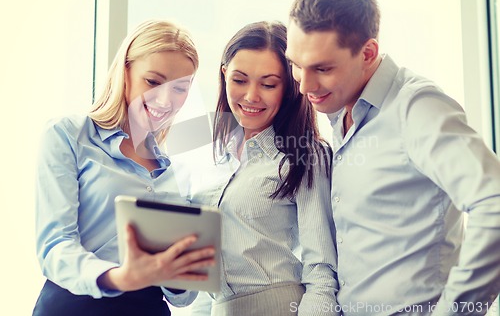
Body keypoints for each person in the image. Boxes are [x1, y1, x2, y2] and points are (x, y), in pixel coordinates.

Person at [286, 0, 500, 315]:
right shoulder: (341, 110)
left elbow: (495, 202)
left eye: (322, 68)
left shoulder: (417, 107)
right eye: (296, 65)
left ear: (368, 52)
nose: (304, 84)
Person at [33, 19, 216, 316]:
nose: (166, 100)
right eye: (153, 82)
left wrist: (181, 270)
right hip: (73, 306)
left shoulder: (176, 172)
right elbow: (54, 246)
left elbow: (183, 297)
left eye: (180, 89)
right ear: (126, 72)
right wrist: (120, 277)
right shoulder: (69, 135)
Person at [188, 21, 339, 315]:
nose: (251, 96)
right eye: (240, 80)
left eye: (268, 84)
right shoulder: (214, 155)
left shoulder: (306, 155)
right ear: (224, 75)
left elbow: (321, 272)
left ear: (290, 88)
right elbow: (207, 274)